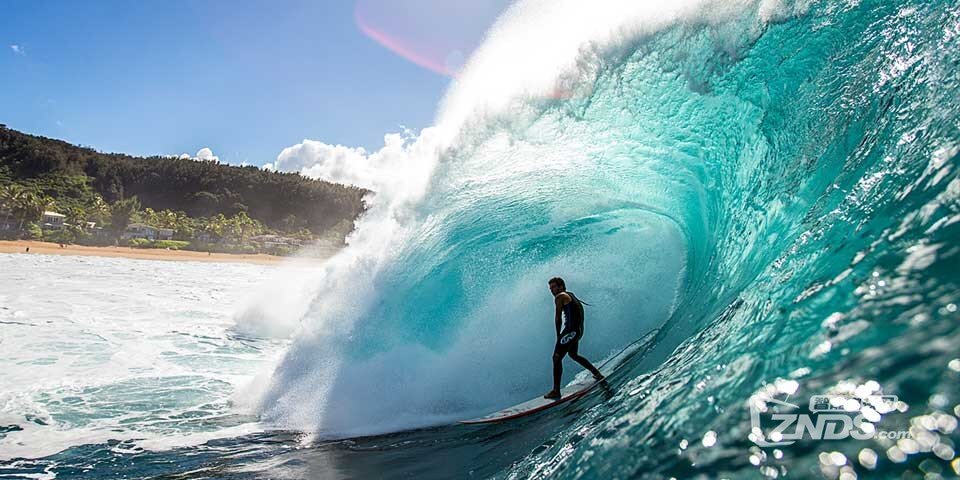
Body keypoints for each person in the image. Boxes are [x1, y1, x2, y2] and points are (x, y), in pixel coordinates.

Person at [544, 276, 603, 400]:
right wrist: (577, 331)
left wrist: (558, 335)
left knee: (556, 358)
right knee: (573, 355)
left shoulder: (560, 296)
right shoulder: (570, 294)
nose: (552, 290)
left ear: (561, 286)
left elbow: (558, 318)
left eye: (554, 287)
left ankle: (556, 391)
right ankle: (597, 373)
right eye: (550, 288)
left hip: (571, 331)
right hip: (577, 331)